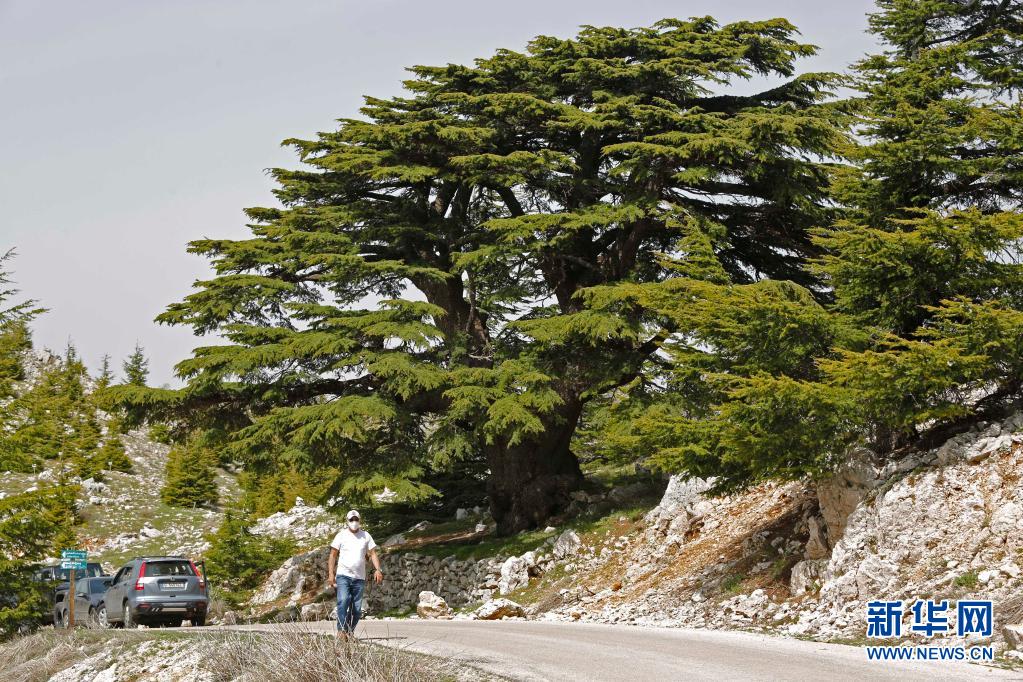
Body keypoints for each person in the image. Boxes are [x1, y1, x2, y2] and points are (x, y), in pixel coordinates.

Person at [328, 509, 383, 639]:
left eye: (356, 519)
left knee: (357, 610)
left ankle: (349, 631)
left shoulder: (366, 536)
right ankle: (341, 631)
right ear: (347, 521)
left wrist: (378, 569)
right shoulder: (341, 535)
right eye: (351, 519)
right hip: (343, 575)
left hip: (359, 578)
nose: (354, 522)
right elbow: (333, 555)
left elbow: (373, 554)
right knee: (343, 601)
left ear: (359, 520)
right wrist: (331, 574)